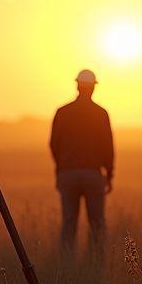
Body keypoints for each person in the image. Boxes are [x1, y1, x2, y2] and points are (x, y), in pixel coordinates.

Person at [49, 69, 114, 257]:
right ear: (93, 88)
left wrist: (60, 168)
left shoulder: (62, 112)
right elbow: (108, 147)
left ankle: (66, 263)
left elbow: (53, 144)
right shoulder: (101, 113)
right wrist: (109, 174)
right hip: (93, 175)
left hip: (68, 174)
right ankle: (96, 263)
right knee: (97, 223)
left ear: (77, 86)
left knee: (69, 223)